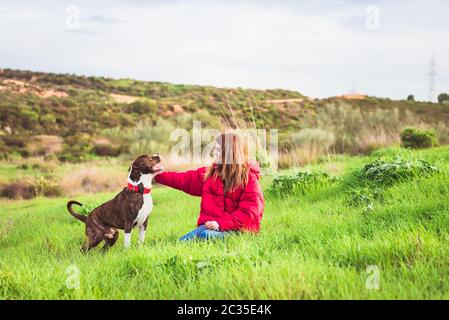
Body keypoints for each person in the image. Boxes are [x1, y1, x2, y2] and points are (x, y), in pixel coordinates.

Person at [155, 132, 264, 241]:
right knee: (182, 242)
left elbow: (248, 214)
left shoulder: (249, 179)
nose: (214, 153)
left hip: (240, 230)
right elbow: (185, 180)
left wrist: (219, 224)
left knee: (206, 235)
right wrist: (157, 175)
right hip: (212, 226)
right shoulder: (211, 174)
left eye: (217, 150)